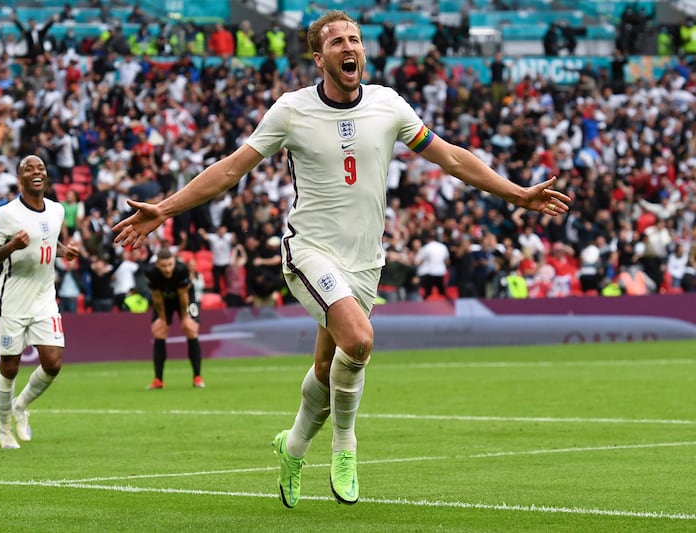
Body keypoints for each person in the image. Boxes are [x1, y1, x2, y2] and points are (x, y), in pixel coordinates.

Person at [112, 10, 571, 508]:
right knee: (360, 338)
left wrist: (516, 194)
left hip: (365, 260)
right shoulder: (291, 111)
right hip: (309, 250)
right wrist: (164, 207)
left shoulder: (388, 105)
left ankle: (291, 447)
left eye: (355, 39)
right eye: (337, 42)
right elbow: (230, 171)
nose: (349, 47)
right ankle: (346, 447)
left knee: (330, 365)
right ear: (319, 57)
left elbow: (452, 158)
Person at [0, 155, 79, 450]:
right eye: (29, 169)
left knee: (53, 362)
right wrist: (12, 245)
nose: (36, 172)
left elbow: (46, 239)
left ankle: (21, 406)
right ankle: (3, 428)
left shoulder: (57, 210)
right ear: (20, 179)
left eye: (40, 168)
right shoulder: (6, 215)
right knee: (9, 368)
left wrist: (63, 251)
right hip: (13, 299)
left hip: (44, 297)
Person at [145, 247, 205, 390]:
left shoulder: (181, 269)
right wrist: (162, 318)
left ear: (174, 262)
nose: (167, 269)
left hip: (186, 299)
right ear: (157, 264)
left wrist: (185, 318)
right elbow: (157, 298)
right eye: (164, 266)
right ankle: (158, 380)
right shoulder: (150, 272)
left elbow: (183, 296)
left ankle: (197, 377)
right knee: (159, 331)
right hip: (164, 301)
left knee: (190, 329)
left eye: (170, 264)